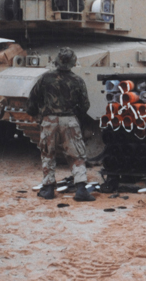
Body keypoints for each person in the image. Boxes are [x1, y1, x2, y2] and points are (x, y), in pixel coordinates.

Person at [26, 47, 95, 202]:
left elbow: (32, 100)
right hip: (69, 120)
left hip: (49, 120)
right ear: (73, 62)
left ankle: (48, 188)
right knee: (77, 154)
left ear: (56, 61)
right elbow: (85, 106)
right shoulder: (77, 80)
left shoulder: (45, 78)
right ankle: (81, 189)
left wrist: (35, 114)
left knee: (47, 153)